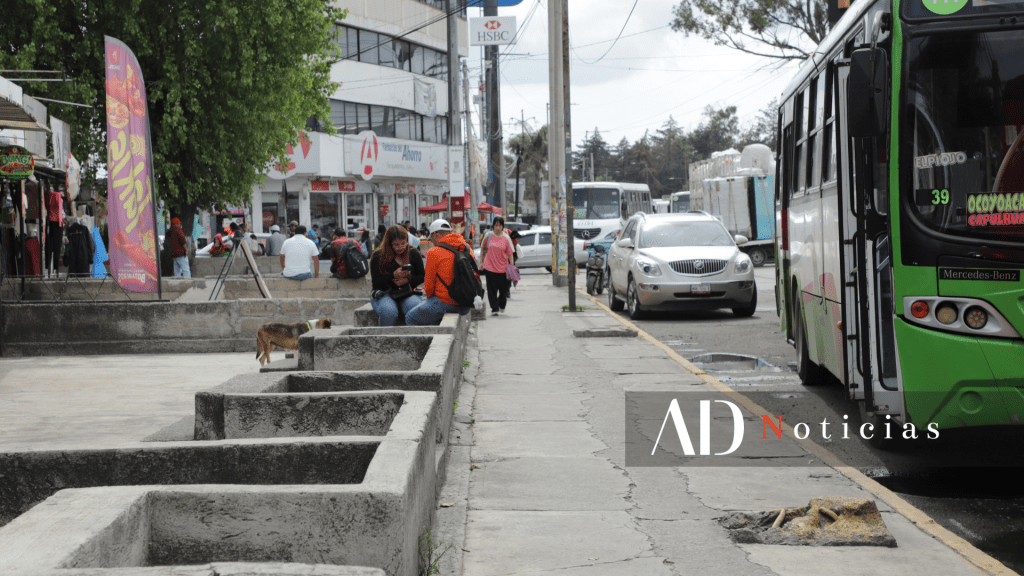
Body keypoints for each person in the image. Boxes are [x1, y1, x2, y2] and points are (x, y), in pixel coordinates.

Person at [406, 219, 477, 326]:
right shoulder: (467, 248)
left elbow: (429, 285)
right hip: (466, 305)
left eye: (431, 239)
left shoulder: (434, 252)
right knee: (433, 317)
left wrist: (429, 299)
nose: (432, 242)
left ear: (435, 235)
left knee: (410, 317)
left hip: (446, 302)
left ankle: (423, 342)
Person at [370, 225, 425, 326]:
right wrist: (393, 276)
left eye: (403, 243)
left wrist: (407, 280)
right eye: (396, 245)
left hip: (408, 291)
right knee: (389, 312)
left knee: (414, 307)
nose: (400, 248)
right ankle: (385, 339)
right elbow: (376, 283)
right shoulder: (378, 256)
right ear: (389, 244)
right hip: (385, 292)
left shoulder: (413, 253)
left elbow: (422, 275)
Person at [480, 216, 514, 316]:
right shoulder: (488, 236)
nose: (498, 227)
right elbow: (482, 249)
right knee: (491, 290)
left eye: (500, 225)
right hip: (489, 267)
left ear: (502, 226)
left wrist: (511, 267)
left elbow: (510, 254)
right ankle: (494, 309)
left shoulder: (506, 238)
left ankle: (501, 305)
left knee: (503, 290)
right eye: (496, 225)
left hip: (503, 269)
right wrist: (481, 262)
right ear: (493, 226)